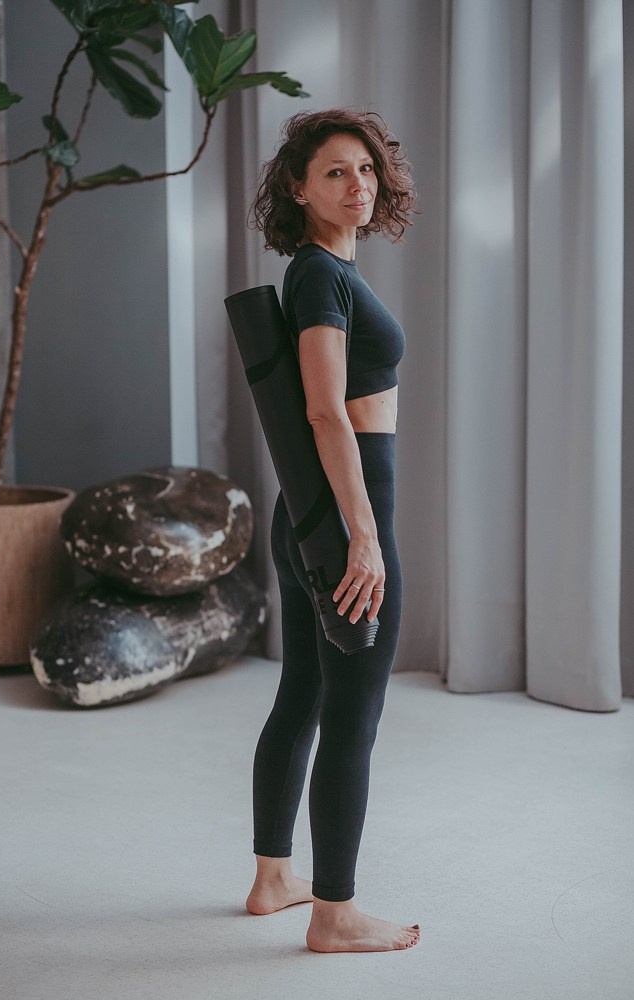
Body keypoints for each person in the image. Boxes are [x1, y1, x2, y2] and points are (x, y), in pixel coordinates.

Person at [246, 108, 420, 953]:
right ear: (298, 187)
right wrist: (365, 535)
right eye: (335, 172)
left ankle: (274, 878)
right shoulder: (319, 276)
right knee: (354, 711)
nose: (358, 185)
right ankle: (335, 914)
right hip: (347, 510)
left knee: (306, 693)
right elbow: (324, 410)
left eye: (366, 169)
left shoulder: (327, 271)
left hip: (307, 511)